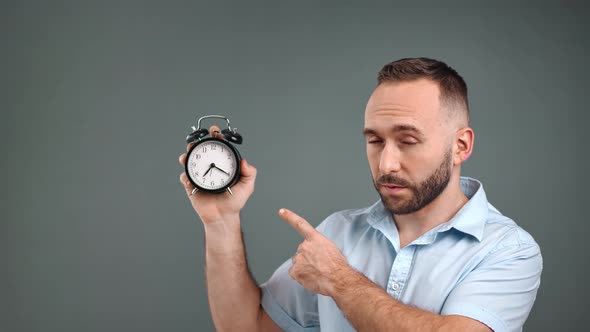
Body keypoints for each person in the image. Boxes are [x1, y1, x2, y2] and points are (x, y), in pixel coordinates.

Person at [178, 57, 542, 332]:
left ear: (460, 146)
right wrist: (221, 221)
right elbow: (249, 326)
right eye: (374, 140)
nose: (387, 163)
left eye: (408, 140)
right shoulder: (338, 232)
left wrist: (340, 280)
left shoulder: (508, 250)